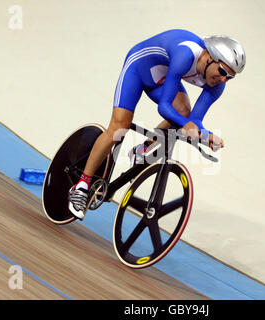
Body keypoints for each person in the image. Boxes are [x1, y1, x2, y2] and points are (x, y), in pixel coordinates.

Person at [68, 29, 246, 220]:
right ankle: (81, 186)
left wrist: (205, 134)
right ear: (209, 57)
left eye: (229, 77)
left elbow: (194, 121)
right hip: (138, 68)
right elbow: (164, 107)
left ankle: (143, 149)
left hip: (161, 78)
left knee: (183, 113)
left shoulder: (218, 86)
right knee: (119, 127)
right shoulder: (186, 54)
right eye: (222, 72)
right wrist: (189, 127)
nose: (223, 79)